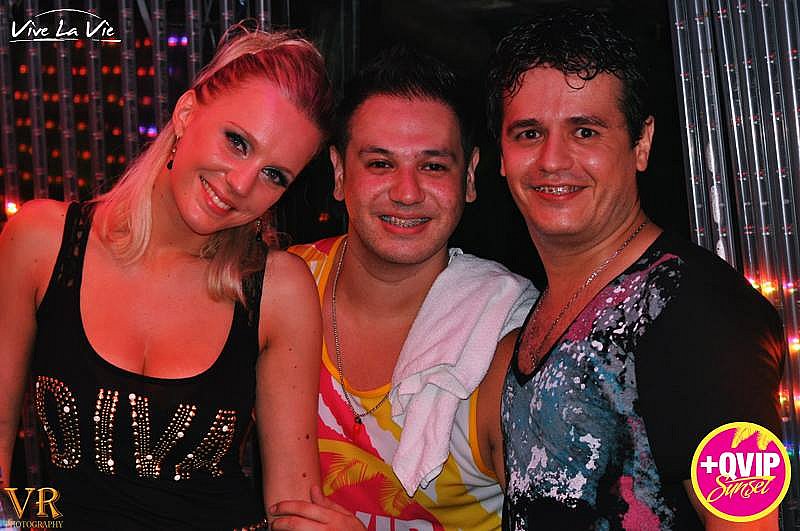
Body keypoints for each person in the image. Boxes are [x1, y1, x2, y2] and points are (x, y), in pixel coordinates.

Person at [0, 23, 333, 530]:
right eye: (237, 142)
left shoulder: (279, 290)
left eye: (274, 175)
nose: (242, 184)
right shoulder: (41, 243)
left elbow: (292, 506)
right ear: (186, 113)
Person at [486, 9, 785, 531]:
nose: (553, 160)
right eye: (529, 133)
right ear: (502, 157)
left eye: (585, 131)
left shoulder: (700, 313)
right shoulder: (538, 312)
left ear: (641, 143)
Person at [269, 47, 536, 531]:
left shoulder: (506, 341)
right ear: (339, 172)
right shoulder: (282, 289)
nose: (407, 192)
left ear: (469, 176)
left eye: (433, 166)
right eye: (380, 164)